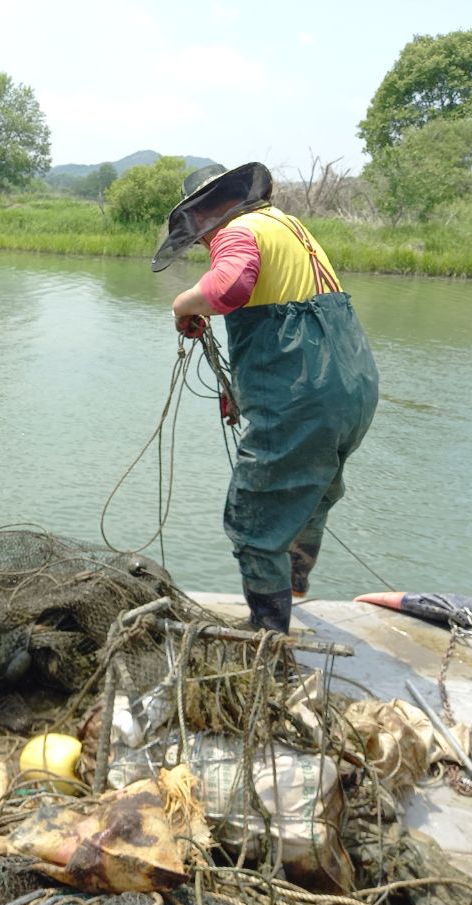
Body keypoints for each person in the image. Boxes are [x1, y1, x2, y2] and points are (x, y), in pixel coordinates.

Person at [153, 162, 379, 633]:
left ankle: (269, 640)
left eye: (195, 233)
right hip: (353, 387)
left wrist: (183, 304)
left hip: (305, 395)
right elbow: (284, 311)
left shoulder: (238, 231)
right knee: (312, 490)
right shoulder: (288, 226)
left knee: (254, 520)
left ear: (205, 214)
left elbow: (229, 286)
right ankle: (292, 586)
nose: (198, 243)